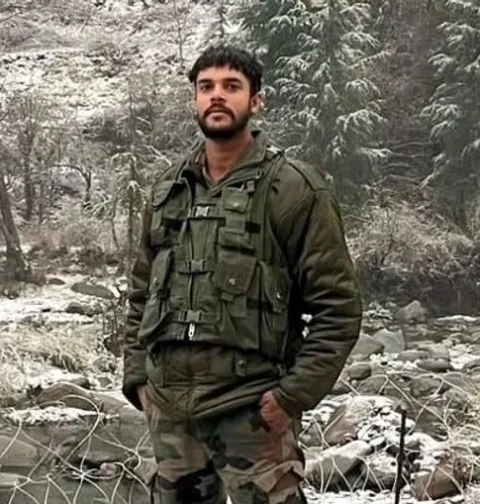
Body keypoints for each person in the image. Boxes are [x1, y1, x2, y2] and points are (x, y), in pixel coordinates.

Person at [122, 44, 362, 504]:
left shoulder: (293, 189)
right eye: (206, 87)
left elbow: (339, 308)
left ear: (256, 101)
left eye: (231, 86)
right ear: (194, 100)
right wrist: (137, 380)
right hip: (170, 413)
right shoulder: (168, 190)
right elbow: (140, 293)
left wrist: (291, 397)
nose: (217, 96)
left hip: (252, 410)